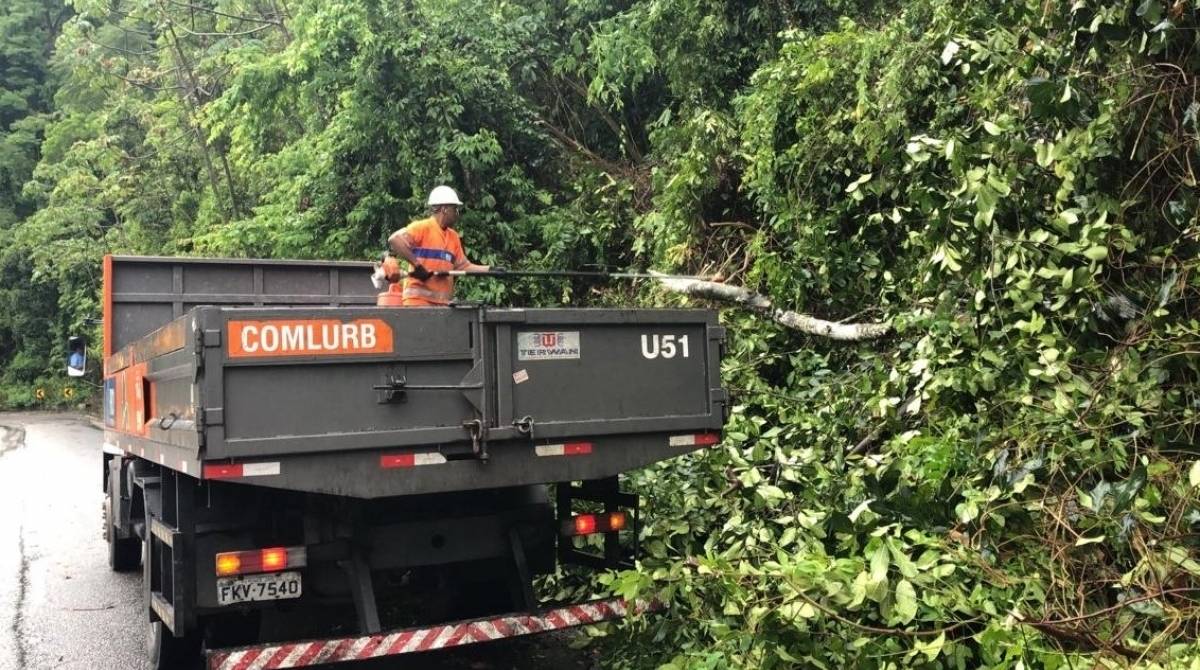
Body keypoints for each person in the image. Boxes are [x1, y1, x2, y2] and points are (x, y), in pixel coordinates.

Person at [386, 186, 500, 306]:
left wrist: (490, 270)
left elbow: (463, 266)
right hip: (418, 302)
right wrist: (418, 266)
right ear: (444, 209)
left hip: (442, 304)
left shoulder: (453, 237)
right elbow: (395, 240)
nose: (457, 213)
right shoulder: (422, 228)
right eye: (454, 209)